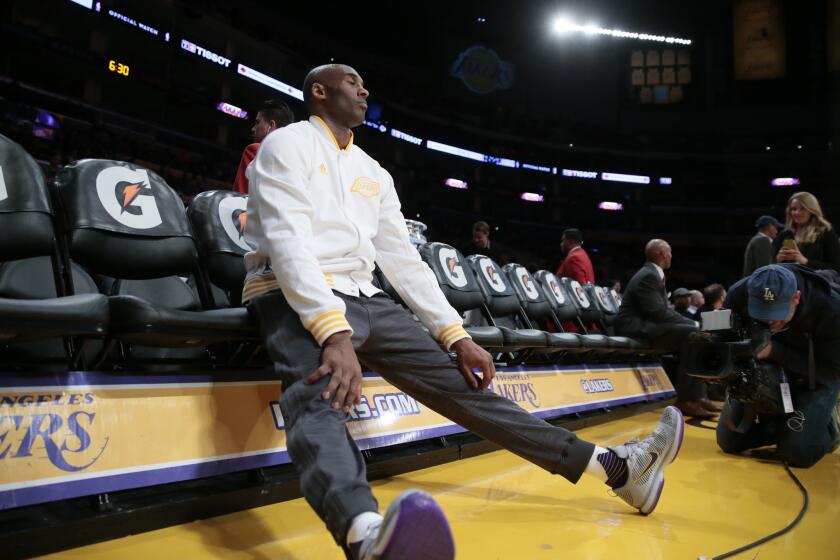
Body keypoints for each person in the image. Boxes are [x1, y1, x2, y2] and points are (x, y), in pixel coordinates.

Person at [242, 63, 685, 560]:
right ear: (319, 92)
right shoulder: (287, 145)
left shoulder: (374, 171)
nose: (365, 88)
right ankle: (366, 535)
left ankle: (618, 470)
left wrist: (456, 336)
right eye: (351, 81)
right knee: (317, 402)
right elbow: (286, 242)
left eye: (364, 82)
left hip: (366, 296)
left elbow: (405, 262)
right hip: (292, 292)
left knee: (470, 392)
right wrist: (332, 331)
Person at [717, 264, 840, 467]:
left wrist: (774, 351)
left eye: (777, 312)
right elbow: (719, 335)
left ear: (796, 298)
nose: (768, 320)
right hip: (761, 372)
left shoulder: (831, 309)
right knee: (730, 440)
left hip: (815, 376)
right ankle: (785, 429)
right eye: (761, 311)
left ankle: (827, 427)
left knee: (798, 453)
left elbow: (832, 371)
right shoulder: (737, 292)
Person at [614, 240, 718, 418]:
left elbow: (661, 313)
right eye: (669, 253)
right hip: (634, 327)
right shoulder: (648, 275)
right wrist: (693, 324)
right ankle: (685, 400)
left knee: (696, 335)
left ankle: (699, 396)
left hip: (648, 325)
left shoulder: (654, 274)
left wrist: (694, 326)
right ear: (661, 254)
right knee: (691, 334)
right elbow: (658, 313)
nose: (671, 256)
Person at [233, 99, 295, 193]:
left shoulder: (255, 149)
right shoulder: (297, 159)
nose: (253, 129)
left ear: (271, 126)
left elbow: (239, 195)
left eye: (257, 122)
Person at [773, 192, 840, 273]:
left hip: (816, 284)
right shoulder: (784, 234)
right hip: (789, 283)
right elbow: (772, 266)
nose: (797, 212)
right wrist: (778, 261)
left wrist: (804, 261)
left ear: (812, 210)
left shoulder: (826, 233)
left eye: (803, 208)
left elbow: (836, 268)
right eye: (793, 209)